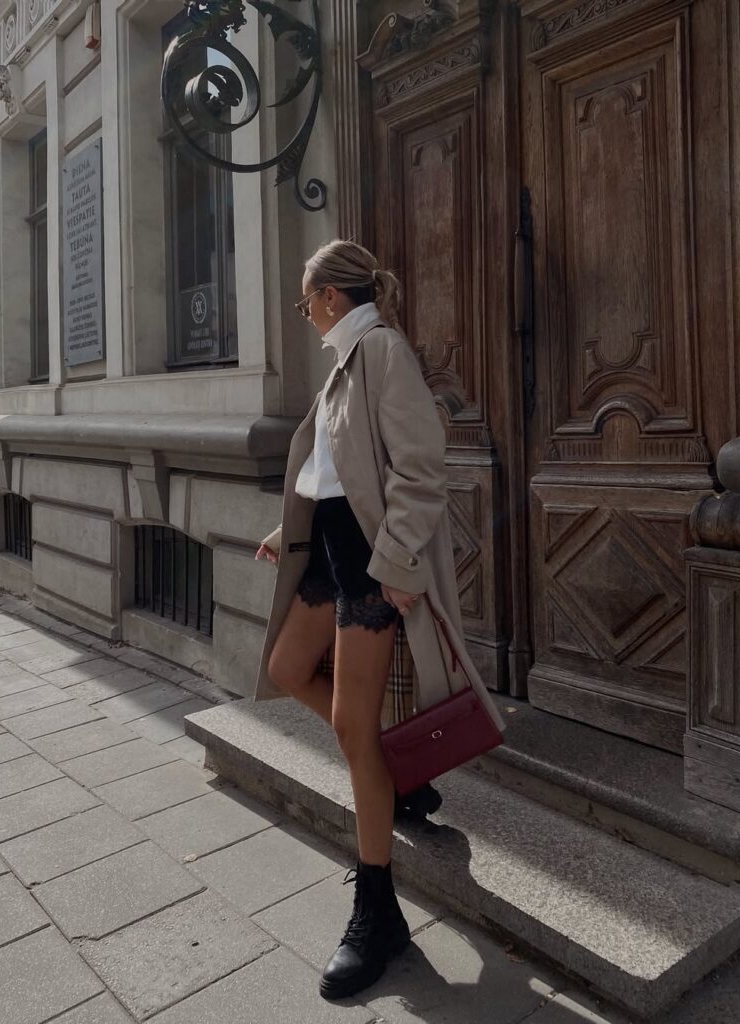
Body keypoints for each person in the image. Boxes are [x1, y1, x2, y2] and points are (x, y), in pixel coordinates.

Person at [253, 239, 506, 1000]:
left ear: (331, 295)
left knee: (349, 729)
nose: (305, 315)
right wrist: (285, 530)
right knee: (285, 669)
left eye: (305, 302)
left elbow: (422, 468)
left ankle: (377, 908)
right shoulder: (344, 363)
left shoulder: (383, 351)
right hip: (327, 556)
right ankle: (392, 782)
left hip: (367, 567)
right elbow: (332, 471)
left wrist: (396, 566)